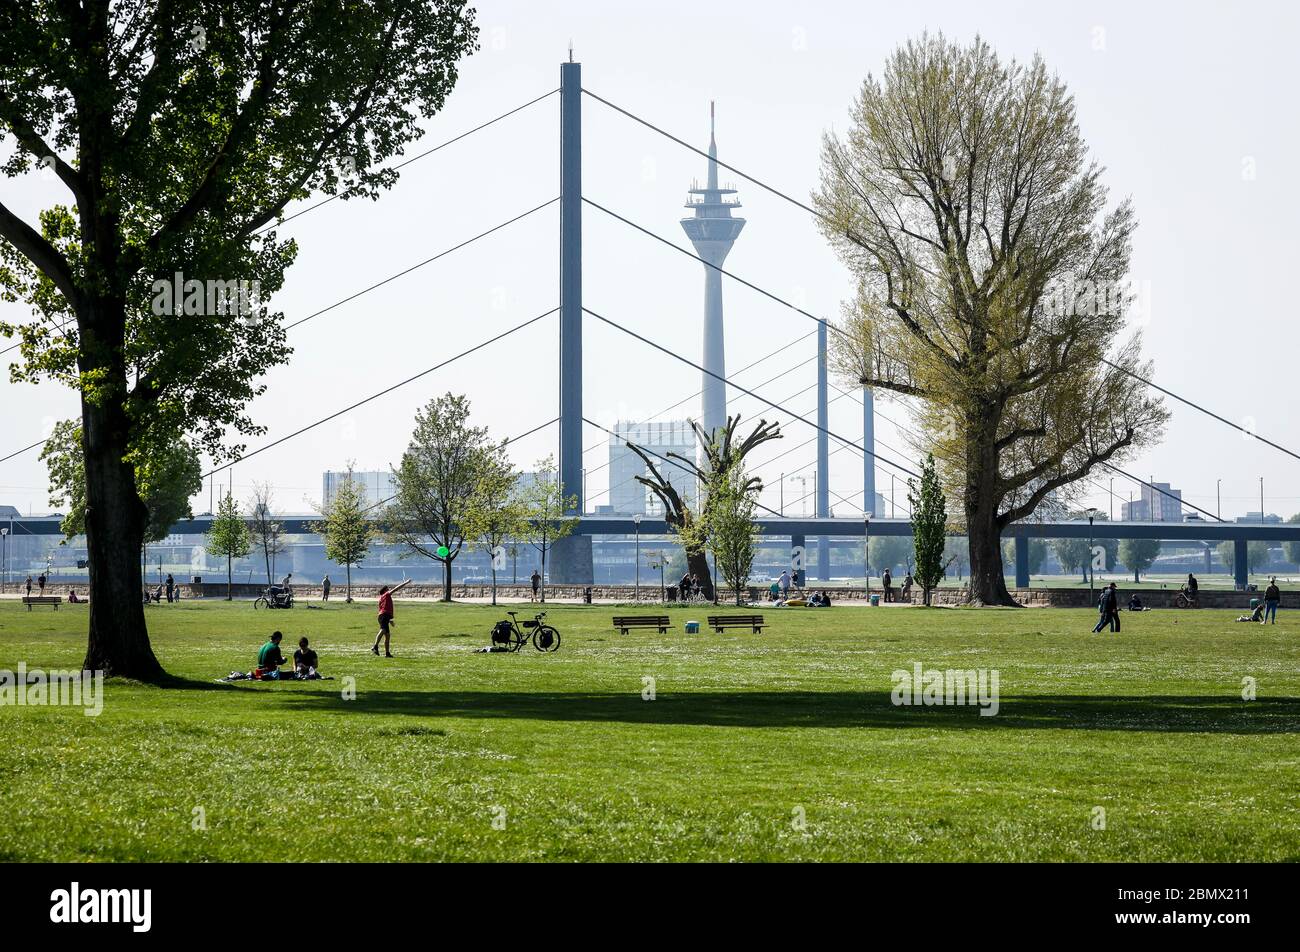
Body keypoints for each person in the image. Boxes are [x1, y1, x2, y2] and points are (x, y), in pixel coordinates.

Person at [373, 585, 395, 657]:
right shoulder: (386, 594)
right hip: (383, 616)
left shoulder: (382, 598)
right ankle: (375, 646)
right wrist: (406, 582)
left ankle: (387, 653)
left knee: (387, 636)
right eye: (387, 589)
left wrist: (390, 620)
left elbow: (386, 608)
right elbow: (396, 589)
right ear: (385, 590)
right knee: (383, 630)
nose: (388, 590)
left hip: (384, 616)